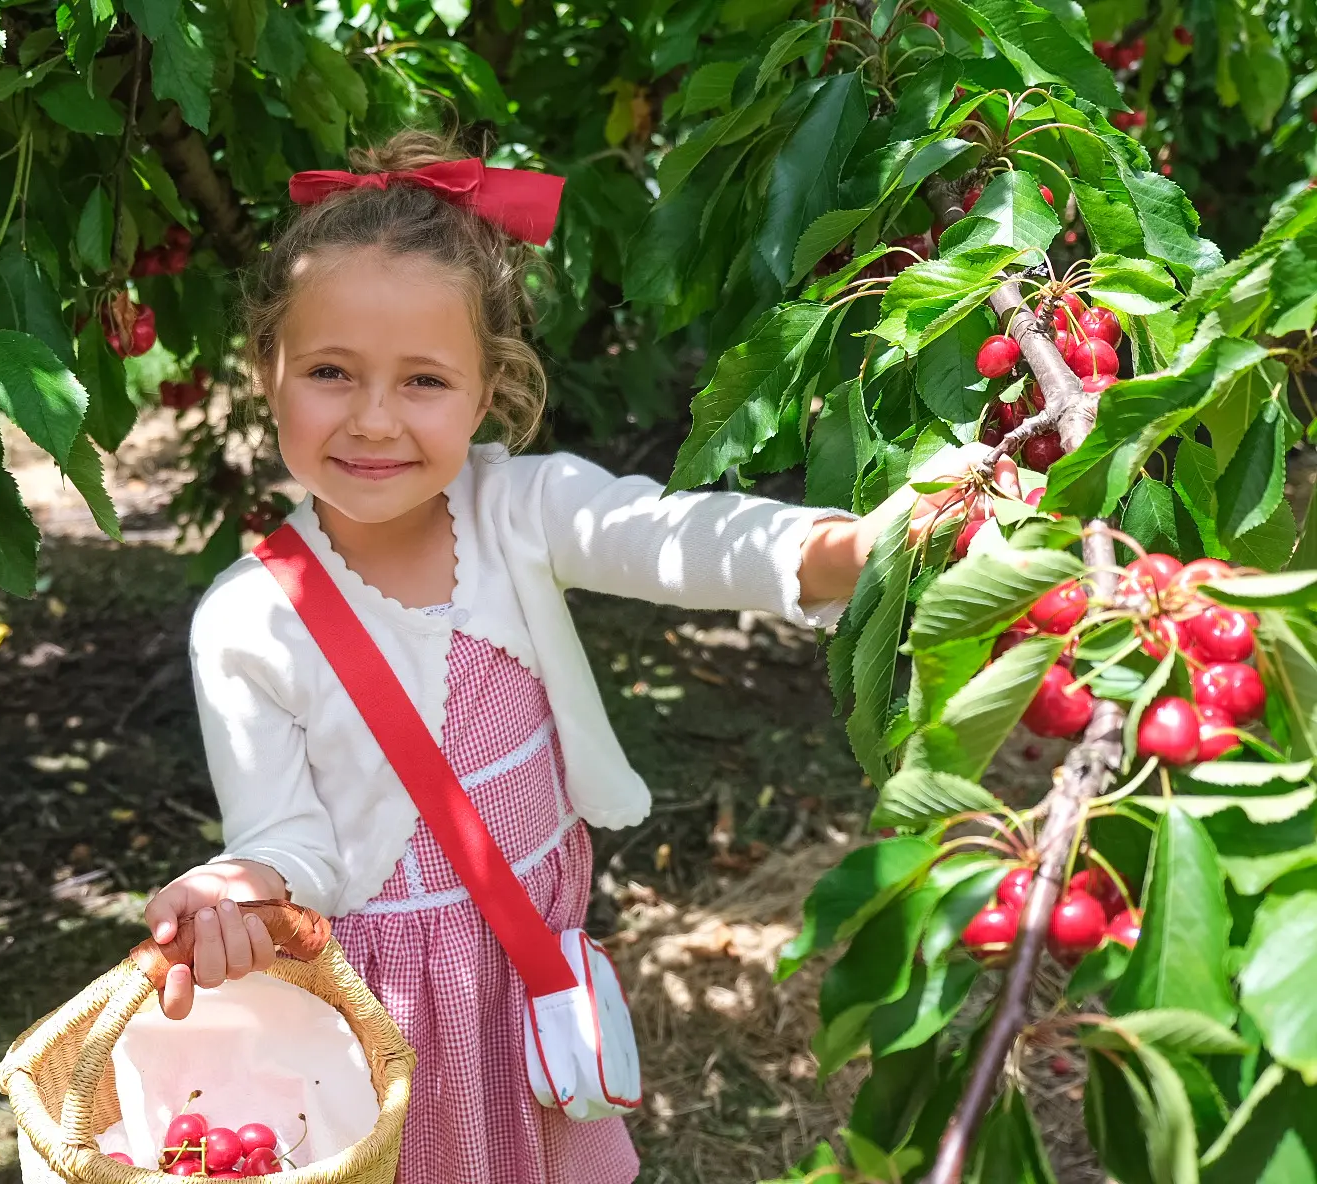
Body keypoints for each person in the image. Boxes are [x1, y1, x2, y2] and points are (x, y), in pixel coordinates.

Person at [142, 129, 1012, 1183]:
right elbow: (290, 842)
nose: (372, 418)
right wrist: (238, 889)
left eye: (423, 379)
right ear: (265, 372)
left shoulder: (520, 508)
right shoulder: (246, 621)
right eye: (330, 371)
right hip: (383, 1012)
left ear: (488, 390)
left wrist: (851, 550)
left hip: (521, 966)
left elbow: (674, 538)